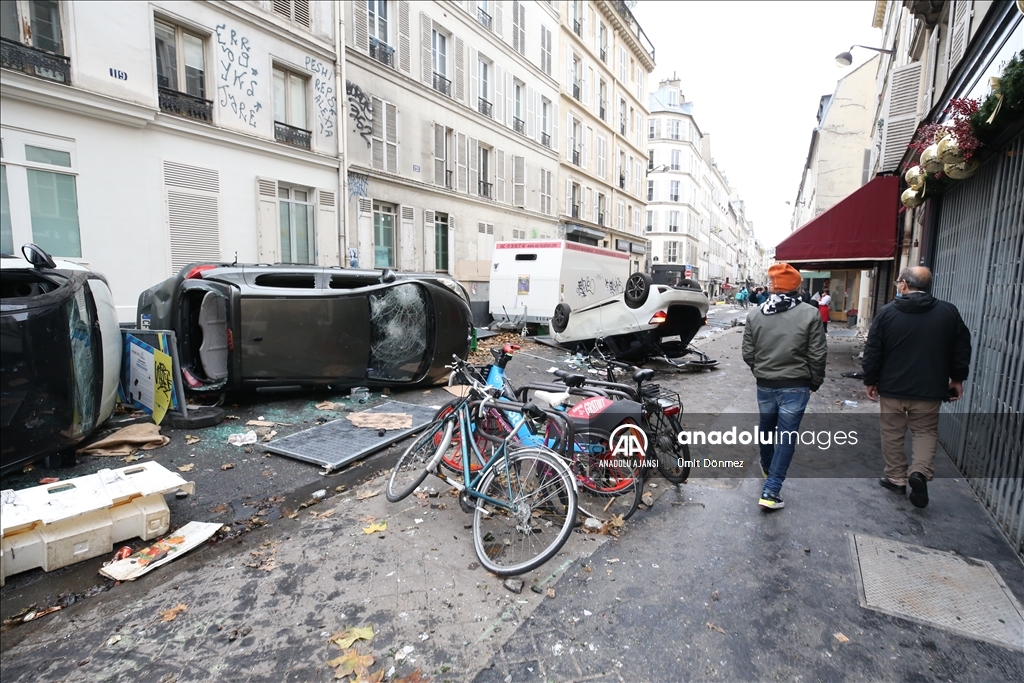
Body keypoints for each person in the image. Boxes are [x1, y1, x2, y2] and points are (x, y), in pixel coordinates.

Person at [862, 267, 971, 509]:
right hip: (930, 388)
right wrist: (957, 378)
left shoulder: (887, 313)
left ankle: (896, 477)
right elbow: (961, 348)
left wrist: (870, 380)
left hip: (892, 388)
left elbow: (873, 350)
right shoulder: (948, 312)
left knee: (892, 433)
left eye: (897, 281)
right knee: (925, 432)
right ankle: (919, 472)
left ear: (903, 284)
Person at [742, 263, 828, 511]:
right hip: (796, 384)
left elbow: (748, 352)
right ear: (796, 287)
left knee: (767, 429)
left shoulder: (756, 314)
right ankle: (771, 490)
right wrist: (815, 381)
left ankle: (768, 468)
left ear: (772, 287)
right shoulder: (810, 314)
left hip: (766, 384)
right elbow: (818, 354)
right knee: (787, 436)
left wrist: (761, 371)